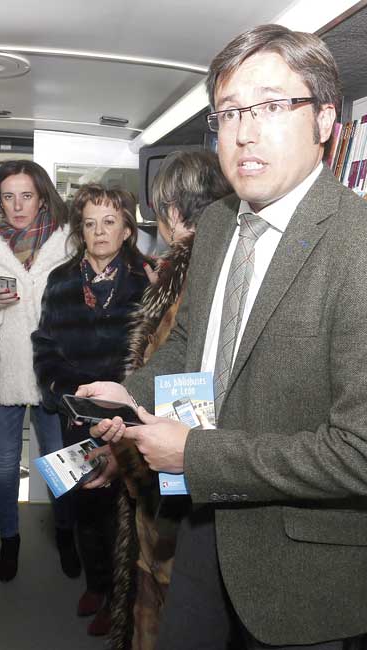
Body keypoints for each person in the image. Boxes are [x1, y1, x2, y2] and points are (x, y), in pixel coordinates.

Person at [80, 24, 367, 649]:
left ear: (324, 120)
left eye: (272, 106)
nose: (244, 132)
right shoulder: (216, 225)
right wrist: (128, 394)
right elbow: (193, 345)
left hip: (306, 574)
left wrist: (194, 455)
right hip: (201, 534)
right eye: (230, 112)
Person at [106, 150, 233, 650]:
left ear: (175, 213)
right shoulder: (207, 272)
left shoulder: (186, 284)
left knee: (167, 615)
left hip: (173, 492)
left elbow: (174, 392)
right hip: (188, 478)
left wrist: (129, 462)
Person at [32, 185, 151, 637]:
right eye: (89, 223)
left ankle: (122, 598)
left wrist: (129, 400)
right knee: (84, 501)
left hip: (129, 415)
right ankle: (96, 582)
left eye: (109, 222)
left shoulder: (148, 280)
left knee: (125, 509)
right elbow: (44, 345)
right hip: (75, 413)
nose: (99, 232)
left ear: (126, 229)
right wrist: (64, 391)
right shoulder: (61, 280)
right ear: (80, 230)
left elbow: (154, 356)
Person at [0, 160, 77, 582]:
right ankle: (10, 539)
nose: (17, 206)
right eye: (8, 196)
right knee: (3, 463)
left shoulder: (68, 241)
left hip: (53, 367)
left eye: (26, 196)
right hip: (3, 367)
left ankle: (66, 533)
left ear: (42, 197)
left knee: (59, 461)